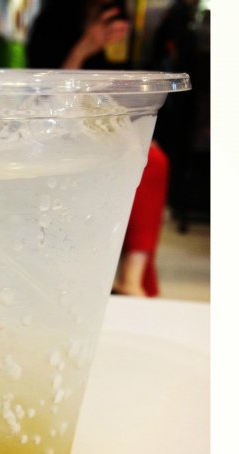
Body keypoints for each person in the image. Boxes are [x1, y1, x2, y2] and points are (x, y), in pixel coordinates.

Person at [27, 0, 169, 297]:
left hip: (105, 124)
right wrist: (85, 46)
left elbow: (124, 93)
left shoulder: (120, 18)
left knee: (152, 160)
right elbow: (44, 98)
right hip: (56, 126)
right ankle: (130, 282)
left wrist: (136, 132)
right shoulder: (51, 23)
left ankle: (132, 278)